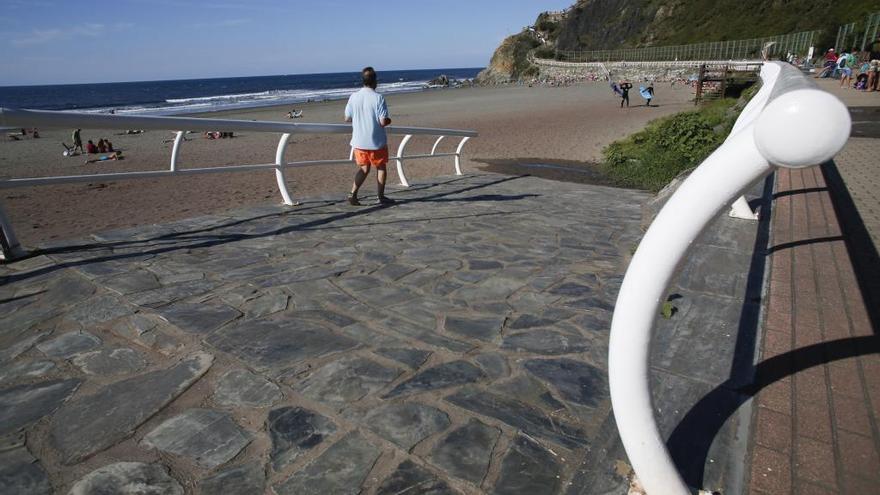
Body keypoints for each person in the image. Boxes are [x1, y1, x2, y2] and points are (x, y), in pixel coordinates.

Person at [345, 66, 394, 206]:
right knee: (381, 167)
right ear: (375, 81)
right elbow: (383, 121)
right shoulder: (378, 97)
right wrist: (389, 120)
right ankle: (380, 196)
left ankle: (353, 193)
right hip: (376, 141)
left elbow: (347, 118)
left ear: (363, 80)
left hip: (359, 141)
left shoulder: (353, 96)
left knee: (364, 168)